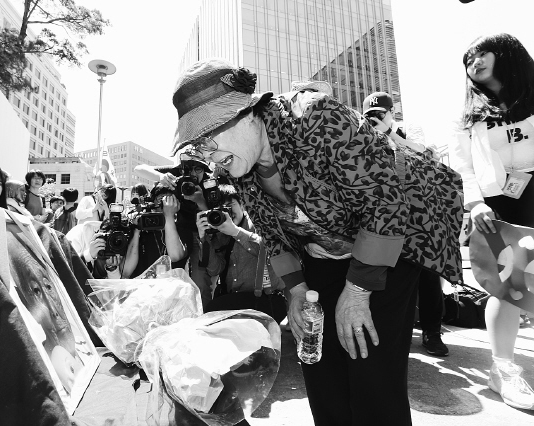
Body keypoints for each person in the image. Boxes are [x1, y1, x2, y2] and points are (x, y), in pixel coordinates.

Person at [171, 58, 461, 425]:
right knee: (319, 364)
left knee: (371, 371)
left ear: (246, 113)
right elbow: (274, 238)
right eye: (199, 147)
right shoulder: (240, 171)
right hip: (324, 258)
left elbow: (385, 200)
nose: (208, 156)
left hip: (388, 246)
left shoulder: (316, 117)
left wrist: (357, 293)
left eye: (209, 139)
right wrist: (296, 291)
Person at [449, 33, 534, 410]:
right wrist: (475, 203)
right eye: (469, 59)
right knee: (510, 287)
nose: (475, 62)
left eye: (483, 53)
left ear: (508, 55)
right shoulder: (467, 115)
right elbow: (463, 164)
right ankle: (503, 369)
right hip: (497, 206)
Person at [363, 91, 449, 357]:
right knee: (389, 274)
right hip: (385, 214)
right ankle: (395, 330)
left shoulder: (408, 131)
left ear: (392, 112)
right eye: (371, 115)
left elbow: (424, 154)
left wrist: (390, 133)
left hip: (419, 215)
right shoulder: (363, 134)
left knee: (428, 274)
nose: (376, 118)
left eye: (381, 113)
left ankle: (432, 331)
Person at [197, 184, 287, 323]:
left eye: (230, 205)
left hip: (267, 299)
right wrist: (204, 239)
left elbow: (269, 250)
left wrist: (235, 232)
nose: (227, 213)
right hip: (234, 301)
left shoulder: (260, 223)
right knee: (211, 313)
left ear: (242, 204)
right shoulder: (218, 233)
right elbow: (214, 269)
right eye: (221, 209)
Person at [135, 158, 219, 307]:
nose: (192, 174)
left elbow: (214, 220)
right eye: (188, 168)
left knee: (200, 282)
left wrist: (200, 201)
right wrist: (160, 177)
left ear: (204, 170)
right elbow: (138, 168)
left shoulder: (209, 183)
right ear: (181, 168)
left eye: (198, 169)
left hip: (201, 233)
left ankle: (203, 315)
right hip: (177, 229)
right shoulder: (174, 174)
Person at [122, 184, 192, 279]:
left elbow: (175, 256)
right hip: (143, 289)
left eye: (169, 200)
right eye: (160, 200)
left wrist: (169, 216)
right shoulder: (142, 229)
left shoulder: (183, 228)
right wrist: (137, 229)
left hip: (172, 289)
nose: (165, 205)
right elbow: (126, 271)